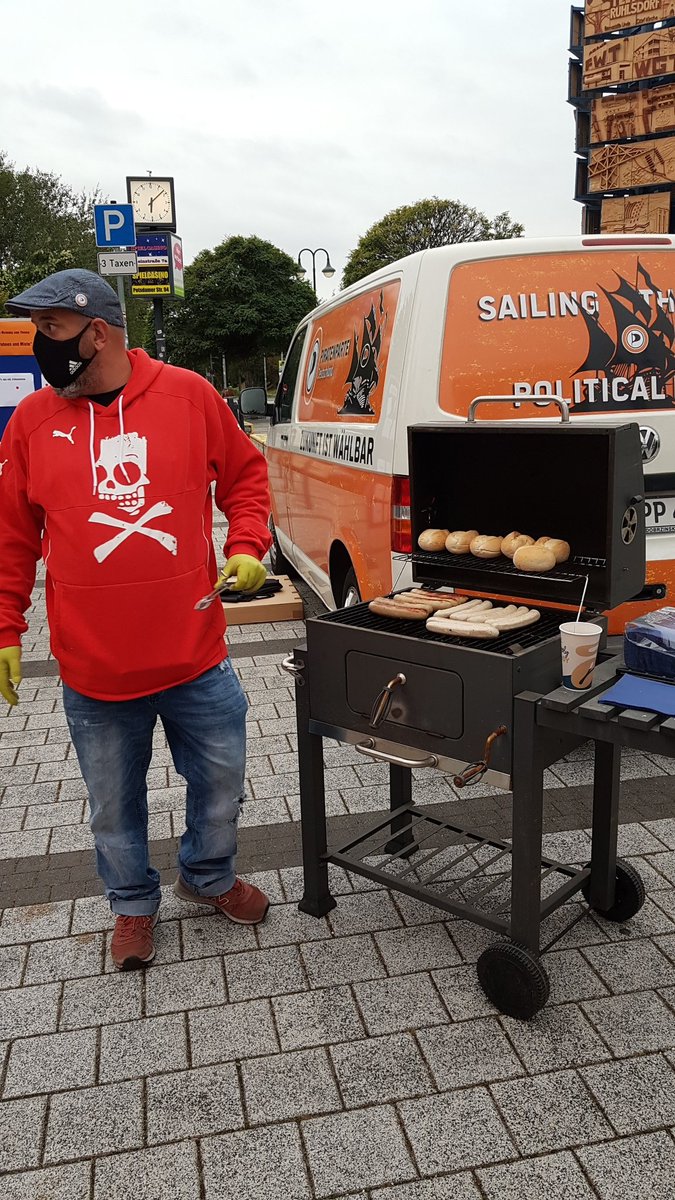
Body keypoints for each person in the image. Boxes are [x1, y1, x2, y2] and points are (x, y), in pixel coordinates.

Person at [0, 268, 273, 970]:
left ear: (98, 332)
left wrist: (246, 547)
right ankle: (130, 903)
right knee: (113, 808)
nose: (39, 342)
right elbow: (11, 535)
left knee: (221, 785)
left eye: (51, 328)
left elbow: (245, 476)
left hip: (195, 655)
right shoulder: (32, 421)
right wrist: (5, 628)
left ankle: (207, 876)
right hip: (95, 672)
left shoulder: (189, 395)